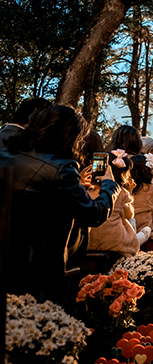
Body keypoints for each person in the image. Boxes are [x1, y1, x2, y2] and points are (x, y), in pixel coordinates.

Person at [0, 105, 118, 305]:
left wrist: (77, 185)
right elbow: (93, 214)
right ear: (70, 136)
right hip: (39, 268)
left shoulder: (6, 154)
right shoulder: (62, 168)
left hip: (8, 259)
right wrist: (109, 186)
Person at [87, 150, 140, 258]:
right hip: (114, 242)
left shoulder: (88, 189)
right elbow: (130, 215)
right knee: (130, 223)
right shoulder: (121, 192)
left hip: (89, 242)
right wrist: (129, 192)